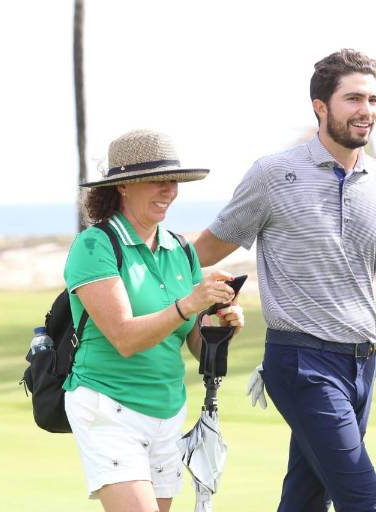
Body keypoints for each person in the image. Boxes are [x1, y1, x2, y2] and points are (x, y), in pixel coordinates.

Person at [194, 49, 376, 511]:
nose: (367, 111)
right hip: (301, 362)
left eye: (373, 100)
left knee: (305, 497)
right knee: (362, 498)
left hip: (361, 365)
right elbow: (205, 250)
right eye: (354, 98)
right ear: (321, 105)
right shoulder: (275, 174)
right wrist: (150, 283)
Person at [62, 129, 244, 512]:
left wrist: (219, 326)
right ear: (124, 187)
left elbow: (194, 343)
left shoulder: (180, 249)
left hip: (167, 411)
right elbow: (124, 338)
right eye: (157, 181)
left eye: (173, 181)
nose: (169, 191)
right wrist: (188, 303)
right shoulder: (95, 245)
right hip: (108, 405)